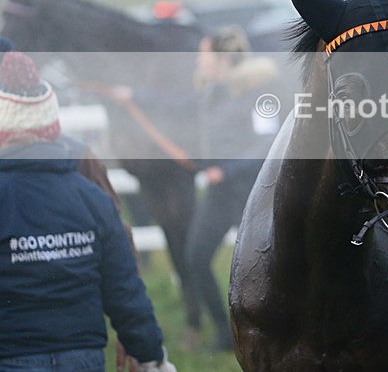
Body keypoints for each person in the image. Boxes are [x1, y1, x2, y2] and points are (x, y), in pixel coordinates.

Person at [0, 51, 176, 371]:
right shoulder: (93, 199)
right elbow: (125, 291)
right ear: (53, 128)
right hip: (82, 357)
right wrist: (152, 356)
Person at [184, 25, 281, 353]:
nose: (199, 60)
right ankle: (226, 334)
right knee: (195, 258)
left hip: (251, 192)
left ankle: (268, 329)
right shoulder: (211, 92)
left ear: (222, 57)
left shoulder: (257, 90)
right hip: (219, 192)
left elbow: (267, 140)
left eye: (204, 54)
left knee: (262, 265)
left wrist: (225, 170)